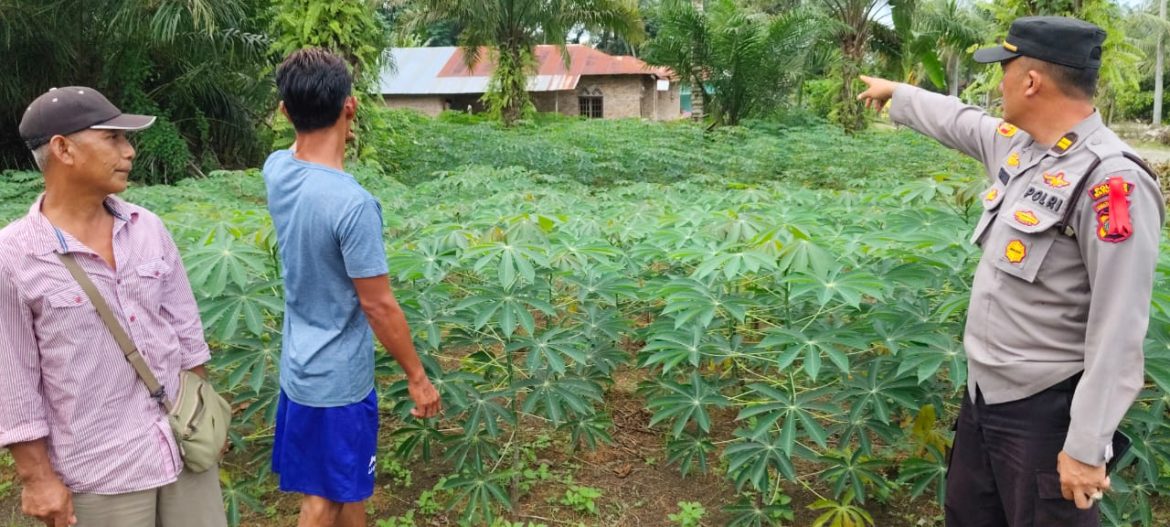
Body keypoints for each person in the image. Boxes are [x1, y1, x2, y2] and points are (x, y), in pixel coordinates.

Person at [859, 16, 1164, 526]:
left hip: (1045, 411)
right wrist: (899, 94)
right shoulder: (1024, 148)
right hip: (983, 396)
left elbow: (1119, 328)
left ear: (1030, 81)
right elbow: (963, 121)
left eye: (1003, 68)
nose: (997, 82)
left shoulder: (1110, 180)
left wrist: (1087, 447)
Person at [0, 87, 227, 526]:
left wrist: (205, 414)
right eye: (112, 139)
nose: (129, 151)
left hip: (182, 447)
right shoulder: (14, 256)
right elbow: (13, 379)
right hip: (100, 472)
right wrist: (36, 478)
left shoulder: (147, 228)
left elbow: (185, 333)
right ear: (62, 148)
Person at [264, 48, 442, 527]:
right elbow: (378, 305)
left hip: (300, 366)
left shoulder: (276, 170)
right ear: (351, 106)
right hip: (337, 380)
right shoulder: (352, 204)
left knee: (349, 489)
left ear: (284, 112)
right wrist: (417, 377)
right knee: (321, 499)